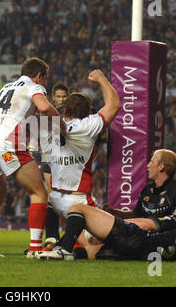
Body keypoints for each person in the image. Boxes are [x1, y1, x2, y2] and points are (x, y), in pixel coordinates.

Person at [0, 57, 65, 258]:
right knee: (39, 193)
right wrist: (60, 123)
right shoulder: (34, 86)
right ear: (39, 75)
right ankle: (34, 248)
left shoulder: (6, 87)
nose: (46, 83)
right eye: (46, 78)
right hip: (7, 145)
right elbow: (43, 107)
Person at [42, 70, 120, 247]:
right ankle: (71, 245)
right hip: (78, 201)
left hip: (53, 199)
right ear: (87, 113)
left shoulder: (48, 126)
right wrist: (101, 78)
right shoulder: (88, 125)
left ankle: (52, 241)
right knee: (108, 240)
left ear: (66, 109)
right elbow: (114, 105)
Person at [101, 149, 176, 260]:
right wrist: (115, 212)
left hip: (160, 244)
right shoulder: (147, 189)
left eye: (151, 162)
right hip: (140, 239)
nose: (147, 165)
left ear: (161, 167)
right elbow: (136, 214)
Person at [37, 203, 176, 261]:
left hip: (135, 239)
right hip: (135, 254)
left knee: (78, 209)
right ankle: (61, 250)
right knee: (90, 250)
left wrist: (118, 224)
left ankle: (63, 248)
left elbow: (146, 224)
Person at [42, 83, 69, 245]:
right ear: (53, 97)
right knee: (51, 195)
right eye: (58, 96)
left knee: (66, 195)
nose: (61, 99)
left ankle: (69, 234)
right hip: (50, 159)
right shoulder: (48, 114)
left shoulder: (71, 114)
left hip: (66, 160)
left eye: (64, 96)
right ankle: (52, 236)